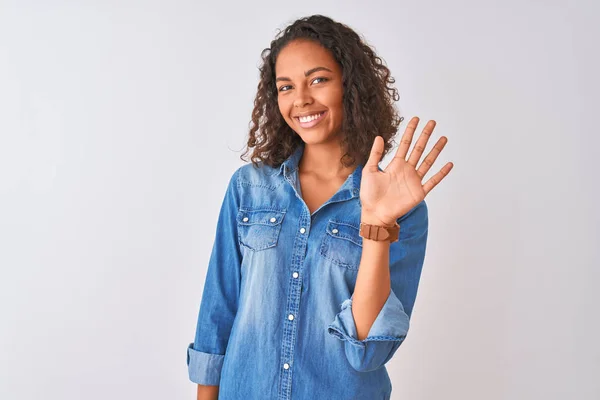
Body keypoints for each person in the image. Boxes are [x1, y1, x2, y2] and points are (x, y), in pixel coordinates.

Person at [186, 14, 453, 400]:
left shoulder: (399, 208)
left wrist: (376, 225)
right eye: (286, 87)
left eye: (318, 79)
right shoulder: (250, 188)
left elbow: (367, 350)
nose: (301, 99)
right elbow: (218, 311)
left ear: (350, 85)